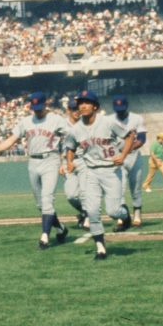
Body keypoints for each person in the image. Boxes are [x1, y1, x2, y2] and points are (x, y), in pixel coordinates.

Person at [0, 91, 70, 249]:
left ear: (46, 104)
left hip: (50, 159)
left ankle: (44, 236)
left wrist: (67, 158)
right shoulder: (26, 121)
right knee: (41, 204)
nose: (37, 111)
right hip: (33, 161)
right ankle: (60, 229)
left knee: (47, 200)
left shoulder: (56, 120)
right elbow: (11, 140)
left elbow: (71, 136)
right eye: (35, 107)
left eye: (40, 107)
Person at [62, 91, 135, 261]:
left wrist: (123, 155)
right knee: (92, 210)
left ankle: (125, 216)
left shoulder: (108, 122)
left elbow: (130, 136)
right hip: (91, 172)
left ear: (95, 106)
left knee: (113, 210)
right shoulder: (75, 129)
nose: (83, 105)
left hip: (111, 171)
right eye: (80, 103)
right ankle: (100, 247)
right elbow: (70, 147)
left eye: (87, 102)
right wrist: (69, 162)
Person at [110, 96, 149, 226]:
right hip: (117, 156)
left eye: (122, 109)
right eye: (117, 109)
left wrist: (128, 149)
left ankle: (137, 213)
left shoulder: (137, 118)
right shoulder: (109, 120)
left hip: (133, 155)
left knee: (136, 187)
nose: (120, 112)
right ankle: (122, 216)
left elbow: (142, 139)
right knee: (119, 187)